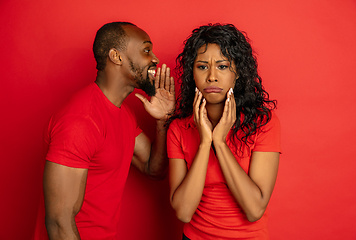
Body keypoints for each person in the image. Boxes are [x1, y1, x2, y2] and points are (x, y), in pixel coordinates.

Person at [32, 22, 175, 240]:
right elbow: (59, 223)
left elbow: (154, 169)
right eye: (146, 50)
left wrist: (163, 120)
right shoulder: (80, 121)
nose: (155, 58)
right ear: (116, 57)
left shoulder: (124, 114)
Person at [167, 23, 281, 240]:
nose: (211, 76)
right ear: (192, 73)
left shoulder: (264, 124)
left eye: (222, 66)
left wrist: (219, 143)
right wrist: (204, 143)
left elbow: (254, 209)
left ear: (237, 72)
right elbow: (183, 212)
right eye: (202, 66)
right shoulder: (179, 129)